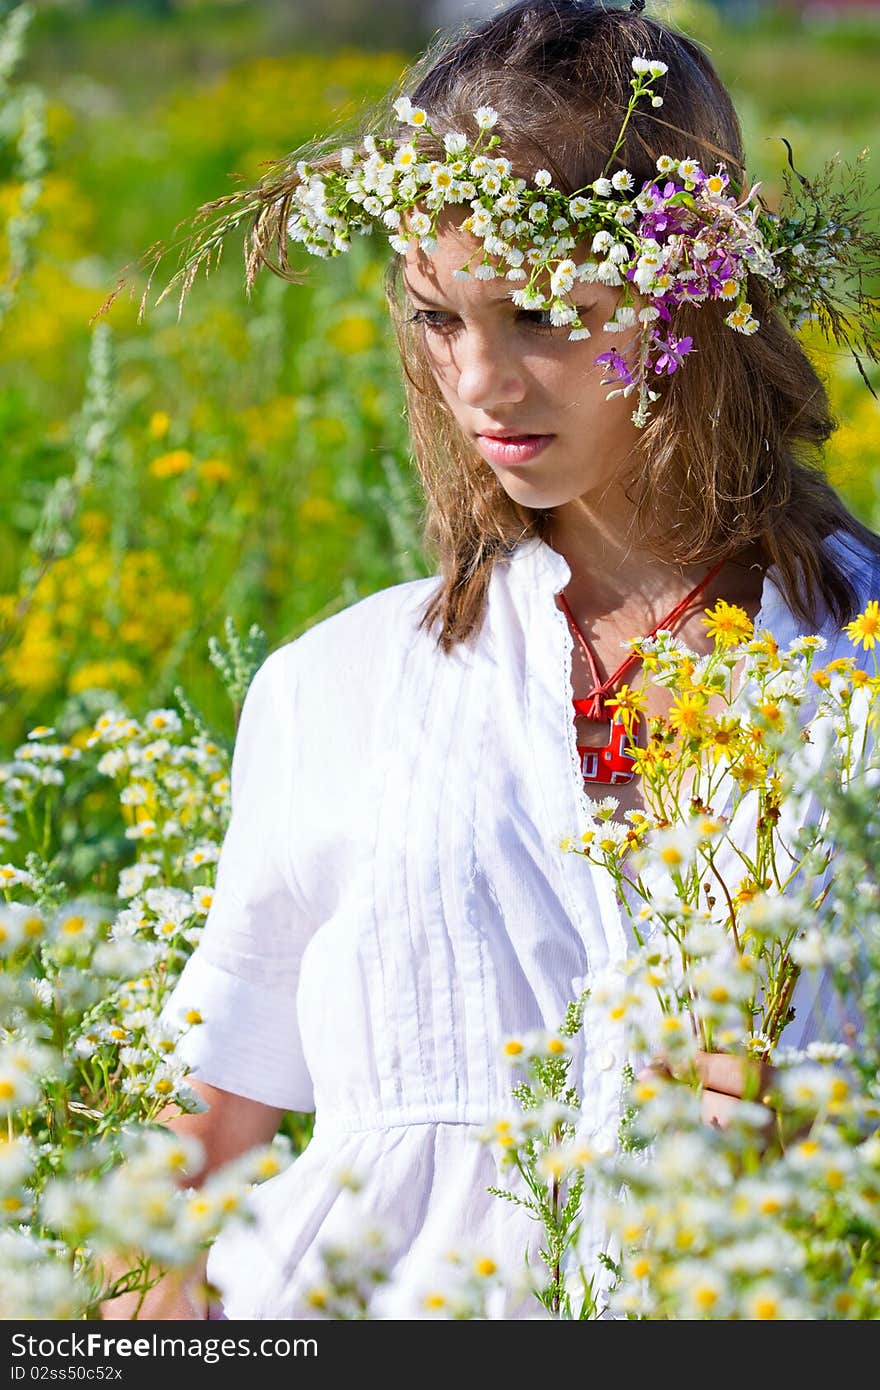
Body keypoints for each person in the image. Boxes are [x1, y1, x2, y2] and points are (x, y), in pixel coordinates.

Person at [100, 0, 880, 1320]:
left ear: (689, 286)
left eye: (537, 313)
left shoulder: (853, 664)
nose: (480, 382)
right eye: (437, 317)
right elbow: (190, 1146)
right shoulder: (335, 688)